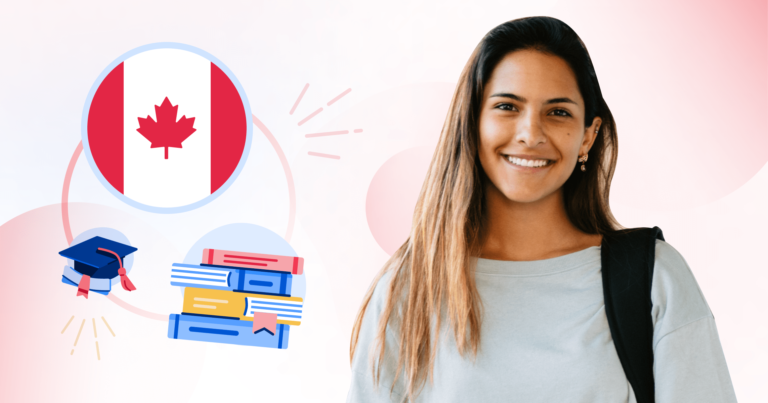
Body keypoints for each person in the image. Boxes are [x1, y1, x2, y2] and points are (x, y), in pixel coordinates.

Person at [346, 16, 737, 403]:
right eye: (507, 106)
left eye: (558, 112)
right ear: (472, 122)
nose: (530, 134)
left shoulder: (654, 279)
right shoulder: (409, 286)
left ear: (588, 136)